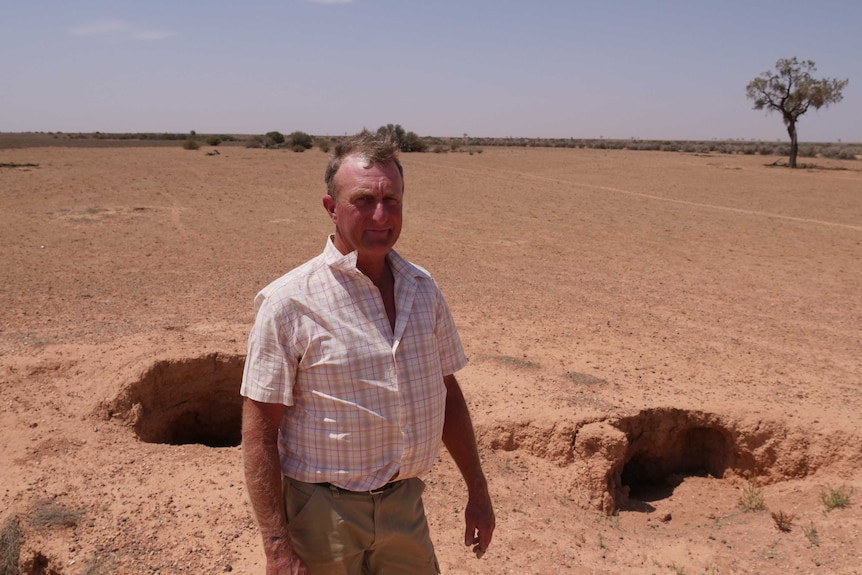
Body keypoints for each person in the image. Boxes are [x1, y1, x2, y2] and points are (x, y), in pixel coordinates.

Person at [240, 130, 495, 574]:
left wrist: (478, 489)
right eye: (363, 200)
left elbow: (447, 393)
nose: (380, 215)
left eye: (391, 200)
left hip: (405, 506)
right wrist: (278, 548)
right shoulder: (289, 303)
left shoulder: (423, 289)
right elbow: (260, 431)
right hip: (322, 515)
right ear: (331, 208)